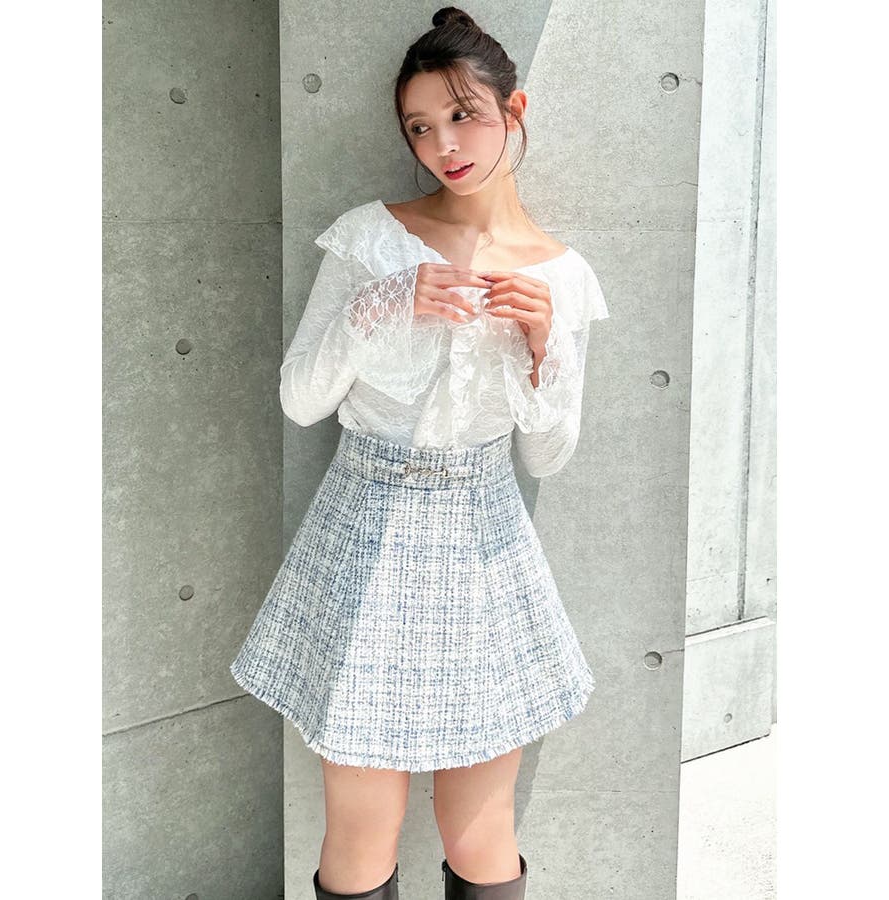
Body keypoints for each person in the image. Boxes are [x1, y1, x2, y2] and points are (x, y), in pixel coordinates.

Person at [230, 7, 610, 899]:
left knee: (481, 834)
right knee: (362, 833)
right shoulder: (370, 237)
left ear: (515, 109)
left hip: (486, 542)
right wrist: (381, 305)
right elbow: (300, 400)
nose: (444, 144)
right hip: (365, 528)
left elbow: (548, 457)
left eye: (464, 115)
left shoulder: (560, 276)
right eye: (420, 126)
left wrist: (546, 349)